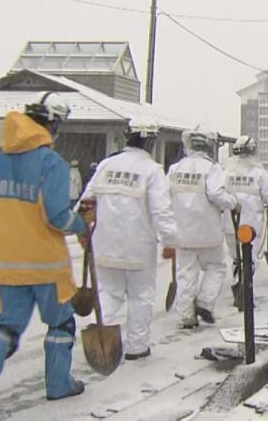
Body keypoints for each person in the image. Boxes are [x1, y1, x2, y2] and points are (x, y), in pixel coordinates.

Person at [0, 92, 91, 420]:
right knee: (61, 323)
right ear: (52, 123)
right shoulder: (52, 163)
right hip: (46, 265)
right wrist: (82, 224)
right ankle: (58, 384)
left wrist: (11, 225)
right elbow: (57, 216)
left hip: (5, 263)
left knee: (5, 328)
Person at [81, 119, 178, 360]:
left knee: (108, 294)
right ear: (151, 141)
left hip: (103, 245)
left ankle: (103, 342)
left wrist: (83, 231)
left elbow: (86, 201)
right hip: (138, 249)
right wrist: (170, 241)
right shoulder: (152, 170)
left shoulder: (106, 165)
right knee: (141, 296)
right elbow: (161, 212)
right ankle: (137, 347)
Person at [167, 127, 237, 329]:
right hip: (207, 231)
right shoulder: (212, 168)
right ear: (209, 146)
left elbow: (165, 196)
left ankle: (187, 316)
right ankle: (205, 303)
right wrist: (233, 203)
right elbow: (216, 194)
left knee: (186, 274)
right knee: (217, 267)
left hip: (182, 232)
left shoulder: (175, 169)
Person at [223, 136, 268, 307]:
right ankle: (244, 291)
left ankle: (238, 284)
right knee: (249, 259)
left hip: (229, 223)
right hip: (251, 225)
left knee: (236, 258)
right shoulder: (259, 174)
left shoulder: (226, 172)